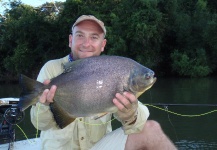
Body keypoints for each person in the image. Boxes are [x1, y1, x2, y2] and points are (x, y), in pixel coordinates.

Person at [30, 15, 177, 150]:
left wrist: (131, 113)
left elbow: (136, 125)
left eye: (94, 37)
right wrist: (45, 105)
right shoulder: (51, 69)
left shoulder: (112, 68)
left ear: (103, 44)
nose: (86, 44)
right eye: (80, 35)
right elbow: (39, 124)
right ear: (70, 40)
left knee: (151, 129)